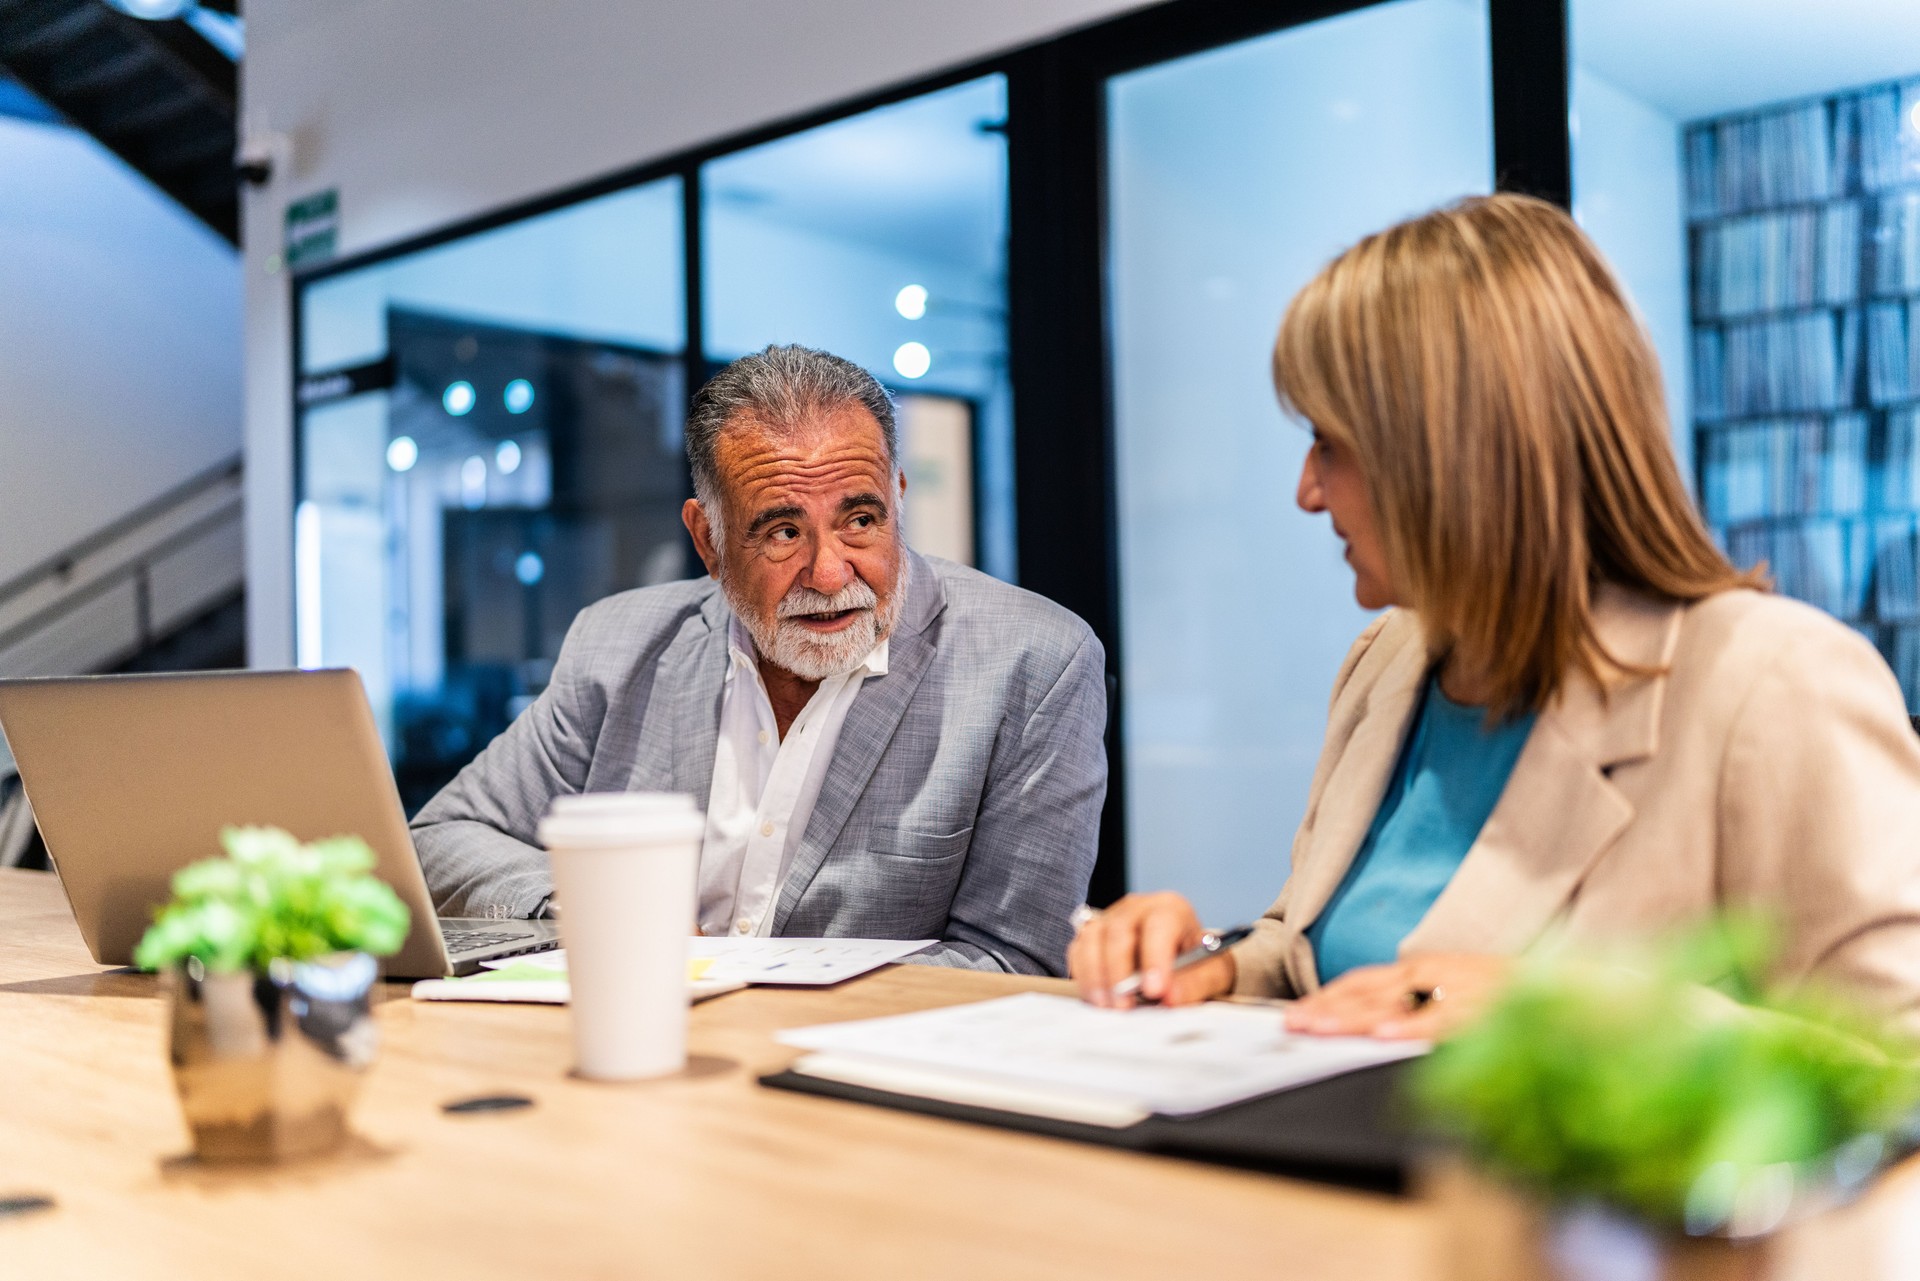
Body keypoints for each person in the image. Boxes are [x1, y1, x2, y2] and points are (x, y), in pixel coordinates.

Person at [1071, 193, 1920, 1035]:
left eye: (1330, 442)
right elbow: (1325, 962)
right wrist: (1211, 958)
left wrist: (1571, 1013)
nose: (1306, 491)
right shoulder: (1389, 658)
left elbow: (1895, 1054)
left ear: (1447, 453)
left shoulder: (1773, 680)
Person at [414, 344, 1107, 975]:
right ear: (707, 539)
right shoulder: (618, 643)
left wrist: (756, 1000)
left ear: (897, 497)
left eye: (860, 520)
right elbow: (441, 839)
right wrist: (595, 904)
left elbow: (1013, 962)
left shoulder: (1034, 663)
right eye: (782, 530)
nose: (832, 573)